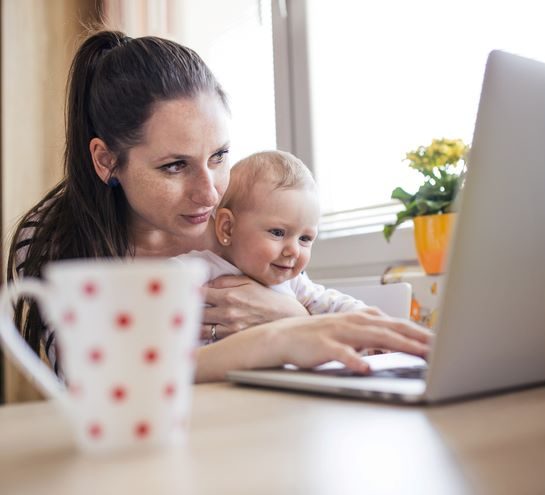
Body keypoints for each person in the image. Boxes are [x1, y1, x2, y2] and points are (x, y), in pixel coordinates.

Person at [6, 30, 431, 383]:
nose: (209, 193)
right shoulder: (53, 237)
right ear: (105, 160)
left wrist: (289, 316)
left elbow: (303, 300)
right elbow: (94, 386)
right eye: (175, 166)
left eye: (219, 155)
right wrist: (275, 338)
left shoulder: (238, 214)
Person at [176, 150, 376, 345]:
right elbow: (151, 294)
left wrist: (372, 327)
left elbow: (335, 305)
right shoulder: (198, 269)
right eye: (278, 233)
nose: (294, 251)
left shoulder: (296, 284)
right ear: (228, 228)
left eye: (305, 238)